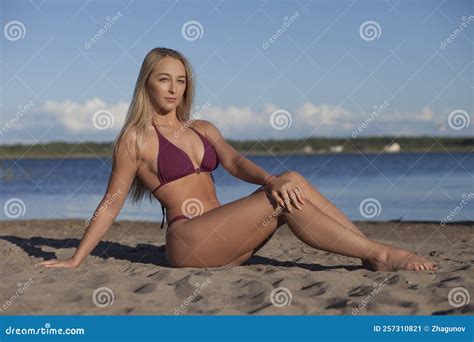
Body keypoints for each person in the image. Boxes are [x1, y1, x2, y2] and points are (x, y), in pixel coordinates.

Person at [36, 47, 437, 272]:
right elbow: (112, 202)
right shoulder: (135, 138)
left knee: (290, 180)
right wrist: (75, 259)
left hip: (225, 239)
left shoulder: (202, 128)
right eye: (164, 79)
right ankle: (381, 255)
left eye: (181, 80)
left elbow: (235, 163)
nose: (174, 88)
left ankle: (372, 251)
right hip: (188, 241)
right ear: (147, 83)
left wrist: (269, 180)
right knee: (282, 193)